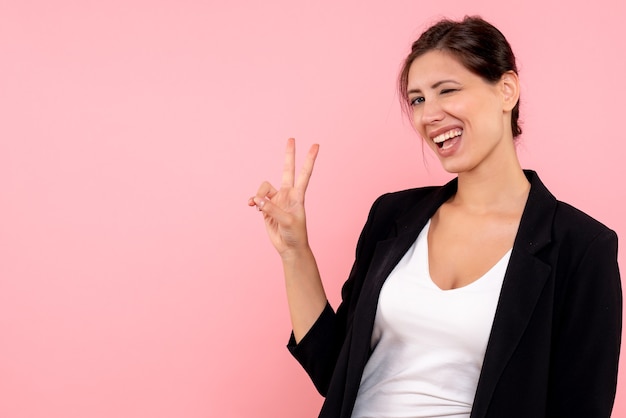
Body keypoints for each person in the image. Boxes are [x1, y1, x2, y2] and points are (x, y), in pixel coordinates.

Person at [248, 16, 622, 418]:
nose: (429, 115)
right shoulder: (392, 216)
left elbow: (580, 406)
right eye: (418, 99)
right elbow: (333, 371)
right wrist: (294, 250)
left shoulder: (581, 248)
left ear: (506, 90)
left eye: (447, 90)